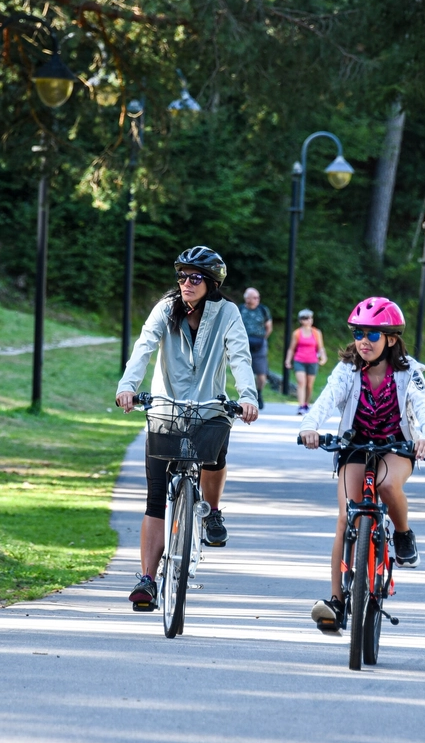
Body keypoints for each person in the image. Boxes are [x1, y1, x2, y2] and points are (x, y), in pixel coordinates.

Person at [116, 246, 259, 609]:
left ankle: (211, 510)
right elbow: (144, 347)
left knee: (217, 448)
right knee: (154, 498)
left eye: (194, 278)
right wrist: (127, 386)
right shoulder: (166, 308)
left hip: (210, 407)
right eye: (181, 276)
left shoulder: (227, 313)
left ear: (212, 284)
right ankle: (148, 579)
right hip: (166, 409)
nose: (186, 283)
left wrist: (248, 396)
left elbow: (240, 355)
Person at [298, 297, 425, 632]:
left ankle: (403, 535)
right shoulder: (347, 368)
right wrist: (310, 427)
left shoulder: (409, 370)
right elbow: (327, 398)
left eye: (373, 334)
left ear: (391, 339)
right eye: (359, 332)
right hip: (356, 445)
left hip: (396, 446)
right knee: (347, 515)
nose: (364, 340)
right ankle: (336, 601)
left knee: (388, 486)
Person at [284, 308, 327, 415]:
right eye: (304, 318)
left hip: (312, 361)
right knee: (301, 382)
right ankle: (301, 405)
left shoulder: (316, 333)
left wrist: (323, 357)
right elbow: (291, 348)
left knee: (309, 385)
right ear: (300, 320)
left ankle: (306, 404)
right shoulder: (297, 333)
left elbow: (321, 347)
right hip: (299, 360)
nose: (307, 320)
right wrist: (288, 360)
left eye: (309, 318)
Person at [238, 287, 273, 408]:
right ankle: (246, 396)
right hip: (243, 345)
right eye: (254, 297)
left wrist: (263, 339)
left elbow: (269, 327)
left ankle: (259, 393)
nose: (257, 299)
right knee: (243, 372)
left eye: (258, 297)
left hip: (259, 344)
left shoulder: (263, 310)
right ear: (247, 298)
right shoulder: (240, 309)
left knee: (261, 375)